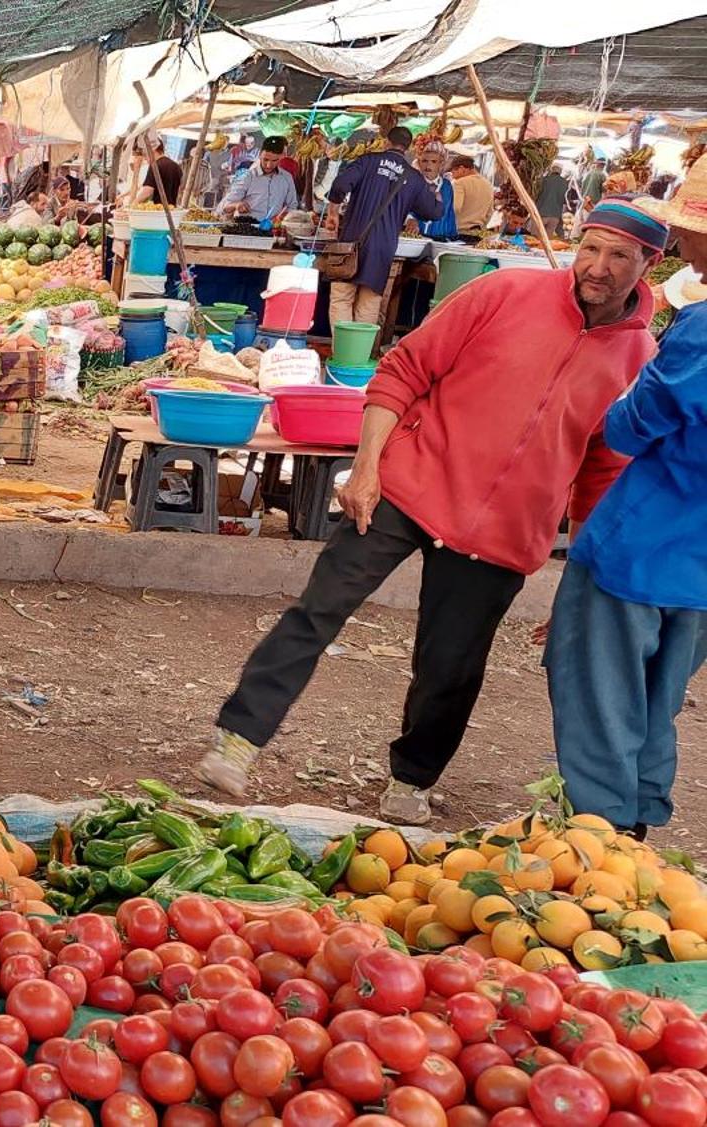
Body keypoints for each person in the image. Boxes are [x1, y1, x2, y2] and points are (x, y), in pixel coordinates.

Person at [195, 204, 665, 824]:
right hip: (410, 483)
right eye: (590, 249)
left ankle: (411, 779)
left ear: (650, 264)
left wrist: (578, 579)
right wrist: (366, 467)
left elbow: (603, 470)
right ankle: (240, 740)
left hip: (506, 530)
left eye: (617, 257)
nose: (597, 268)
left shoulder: (641, 357)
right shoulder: (504, 291)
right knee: (320, 609)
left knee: (452, 664)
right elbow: (403, 370)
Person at [546, 175, 707, 837]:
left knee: (600, 692)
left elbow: (629, 428)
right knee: (657, 697)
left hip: (640, 544)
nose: (685, 246)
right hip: (698, 568)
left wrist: (624, 403)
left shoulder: (697, 330)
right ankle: (639, 824)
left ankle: (599, 832)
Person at [324, 127, 443, 331]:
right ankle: (357, 356)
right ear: (408, 149)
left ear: (386, 141)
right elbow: (431, 212)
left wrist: (333, 212)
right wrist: (438, 199)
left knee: (342, 297)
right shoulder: (414, 177)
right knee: (369, 302)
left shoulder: (368, 161)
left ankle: (342, 352)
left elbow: (340, 185)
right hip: (384, 247)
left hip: (352, 240)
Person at [218, 135, 298, 222]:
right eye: (265, 160)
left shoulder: (286, 178)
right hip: (246, 228)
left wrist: (283, 217)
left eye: (274, 161)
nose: (269, 165)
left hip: (273, 230)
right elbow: (222, 207)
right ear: (259, 155)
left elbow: (292, 206)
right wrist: (236, 205)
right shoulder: (247, 176)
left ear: (281, 158)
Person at [415, 143, 458, 240]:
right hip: (416, 237)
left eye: (434, 161)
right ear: (419, 163)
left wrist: (452, 237)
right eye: (424, 161)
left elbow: (449, 213)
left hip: (439, 237)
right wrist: (410, 219)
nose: (428, 165)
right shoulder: (414, 182)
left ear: (441, 164)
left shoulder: (447, 186)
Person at [447, 155, 492, 236]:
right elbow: (489, 213)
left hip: (460, 232)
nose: (452, 174)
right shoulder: (488, 184)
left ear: (462, 169)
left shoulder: (459, 183)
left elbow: (455, 208)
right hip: (479, 233)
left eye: (453, 171)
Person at [129, 142, 183, 207]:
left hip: (157, 211)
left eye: (145, 154)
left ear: (153, 149)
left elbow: (148, 191)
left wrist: (133, 204)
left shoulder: (155, 165)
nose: (145, 158)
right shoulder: (177, 166)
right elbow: (179, 190)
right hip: (172, 209)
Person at [535, 164, 571, 236]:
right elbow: (566, 200)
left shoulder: (544, 180)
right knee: (547, 241)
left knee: (535, 239)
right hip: (555, 216)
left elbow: (536, 194)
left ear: (551, 170)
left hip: (541, 214)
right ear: (560, 172)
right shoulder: (565, 183)